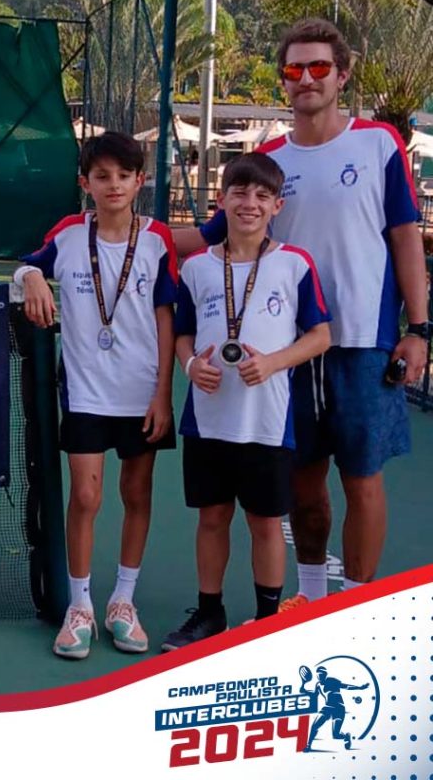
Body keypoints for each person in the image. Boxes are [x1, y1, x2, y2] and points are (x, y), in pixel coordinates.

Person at [180, 17, 426, 604]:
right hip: (286, 351)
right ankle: (311, 604)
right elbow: (208, 236)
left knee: (362, 480)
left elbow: (405, 236)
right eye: (295, 69)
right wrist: (123, 230)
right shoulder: (267, 160)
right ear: (284, 80)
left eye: (319, 67)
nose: (307, 78)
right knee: (303, 484)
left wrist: (418, 329)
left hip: (364, 343)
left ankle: (355, 609)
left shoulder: (378, 144)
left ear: (342, 75)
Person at [16, 131, 177, 659]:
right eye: (102, 176)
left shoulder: (156, 240)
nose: (114, 185)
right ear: (85, 183)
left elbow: (165, 316)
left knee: (137, 495)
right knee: (86, 497)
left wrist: (162, 394)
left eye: (124, 176)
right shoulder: (68, 234)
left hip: (141, 392)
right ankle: (80, 605)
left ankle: (123, 602)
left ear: (140, 181)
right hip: (85, 390)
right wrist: (31, 276)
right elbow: (26, 263)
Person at [161, 153, 331, 650]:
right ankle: (209, 613)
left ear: (277, 205)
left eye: (262, 195)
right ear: (222, 200)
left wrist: (274, 362)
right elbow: (183, 335)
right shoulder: (197, 268)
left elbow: (320, 335)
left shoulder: (295, 264)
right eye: (239, 192)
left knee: (265, 522)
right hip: (208, 419)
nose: (249, 203)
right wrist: (190, 367)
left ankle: (267, 619)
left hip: (267, 421)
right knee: (211, 518)